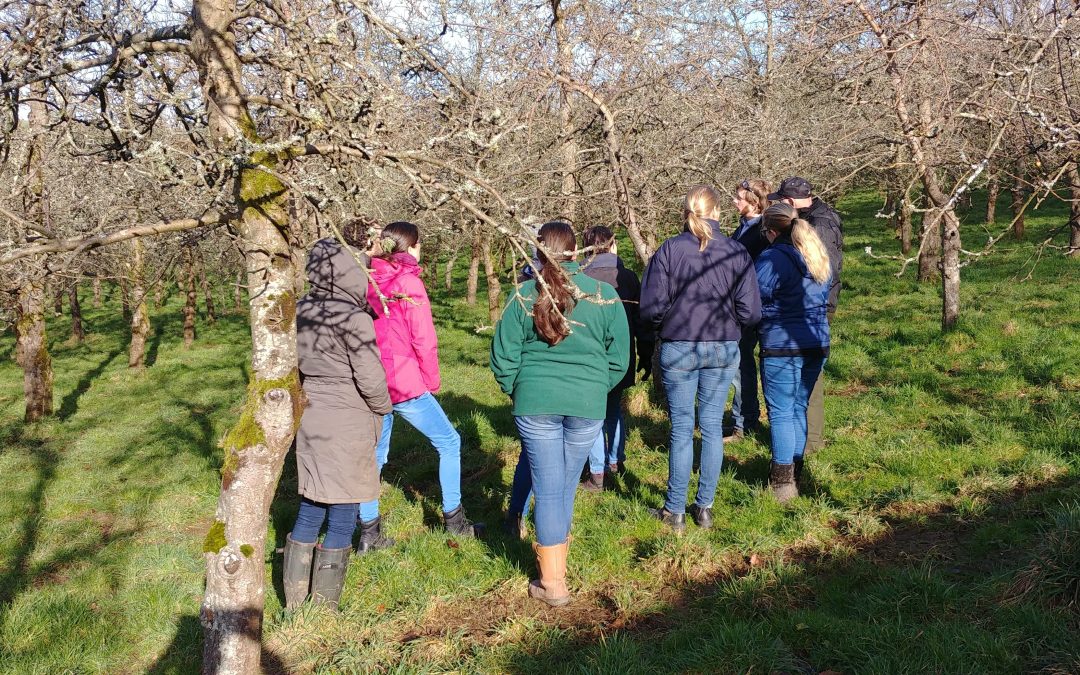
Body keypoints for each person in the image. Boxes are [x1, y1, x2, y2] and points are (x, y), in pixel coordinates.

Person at [490, 221, 629, 606]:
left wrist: (518, 389)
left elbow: (503, 357)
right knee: (561, 487)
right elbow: (620, 358)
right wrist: (597, 388)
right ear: (575, 254)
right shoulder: (603, 295)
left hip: (537, 404)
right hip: (586, 405)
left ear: (537, 252)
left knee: (553, 488)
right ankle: (555, 576)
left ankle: (552, 583)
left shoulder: (522, 295)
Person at [639, 185, 760, 532]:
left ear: (686, 212)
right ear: (718, 212)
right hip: (722, 345)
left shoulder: (670, 251)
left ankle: (674, 510)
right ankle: (704, 506)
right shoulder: (736, 252)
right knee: (710, 427)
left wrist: (667, 327)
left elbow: (652, 307)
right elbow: (750, 310)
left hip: (680, 345)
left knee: (680, 429)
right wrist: (731, 323)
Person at [284, 224, 392, 609]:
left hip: (312, 414)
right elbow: (370, 376)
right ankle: (324, 606)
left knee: (312, 503)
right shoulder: (353, 317)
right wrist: (383, 408)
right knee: (345, 509)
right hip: (349, 415)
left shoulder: (299, 310)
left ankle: (295, 602)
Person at [356, 221, 481, 553]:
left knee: (376, 455)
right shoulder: (408, 283)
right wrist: (431, 381)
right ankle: (455, 519)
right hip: (403, 379)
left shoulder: (365, 280)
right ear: (411, 247)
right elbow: (423, 339)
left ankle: (369, 532)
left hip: (370, 377)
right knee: (449, 441)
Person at [755, 202, 833, 501]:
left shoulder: (773, 258)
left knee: (781, 412)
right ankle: (795, 471)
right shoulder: (816, 254)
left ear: (771, 231)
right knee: (798, 407)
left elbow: (754, 297)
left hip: (782, 344)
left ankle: (782, 482)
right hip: (816, 341)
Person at [767, 177, 843, 455]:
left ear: (789, 202)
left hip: (813, 310)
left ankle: (810, 443)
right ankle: (801, 440)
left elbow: (823, 270)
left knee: (809, 384)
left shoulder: (820, 224)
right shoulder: (817, 217)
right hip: (809, 308)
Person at [579, 225, 650, 489]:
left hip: (590, 356)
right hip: (620, 355)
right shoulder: (628, 277)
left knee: (594, 413)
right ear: (613, 245)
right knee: (613, 409)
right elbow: (641, 320)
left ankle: (596, 472)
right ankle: (615, 460)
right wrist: (645, 352)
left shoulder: (580, 276)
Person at [726, 179, 772, 443]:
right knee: (740, 365)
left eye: (740, 198)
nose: (735, 201)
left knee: (741, 366)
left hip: (749, 308)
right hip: (740, 306)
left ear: (754, 202)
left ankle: (744, 424)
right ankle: (746, 420)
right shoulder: (743, 228)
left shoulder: (760, 234)